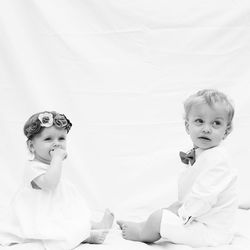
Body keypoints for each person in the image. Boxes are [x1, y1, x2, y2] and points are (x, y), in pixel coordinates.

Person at [117, 89, 238, 247]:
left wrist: (180, 216)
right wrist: (176, 210)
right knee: (169, 208)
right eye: (200, 121)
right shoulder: (203, 154)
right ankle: (143, 225)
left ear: (226, 131)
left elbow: (203, 197)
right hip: (199, 217)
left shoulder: (218, 159)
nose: (207, 128)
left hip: (211, 232)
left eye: (216, 123)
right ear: (188, 126)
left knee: (160, 218)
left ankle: (142, 233)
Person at [0, 111, 114, 250]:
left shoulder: (51, 163)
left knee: (74, 215)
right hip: (40, 214)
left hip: (57, 206)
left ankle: (95, 226)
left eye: (61, 138)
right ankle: (86, 236)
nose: (57, 144)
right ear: (31, 146)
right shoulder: (32, 167)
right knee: (56, 231)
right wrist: (57, 159)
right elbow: (50, 184)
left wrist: (56, 160)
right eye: (48, 139)